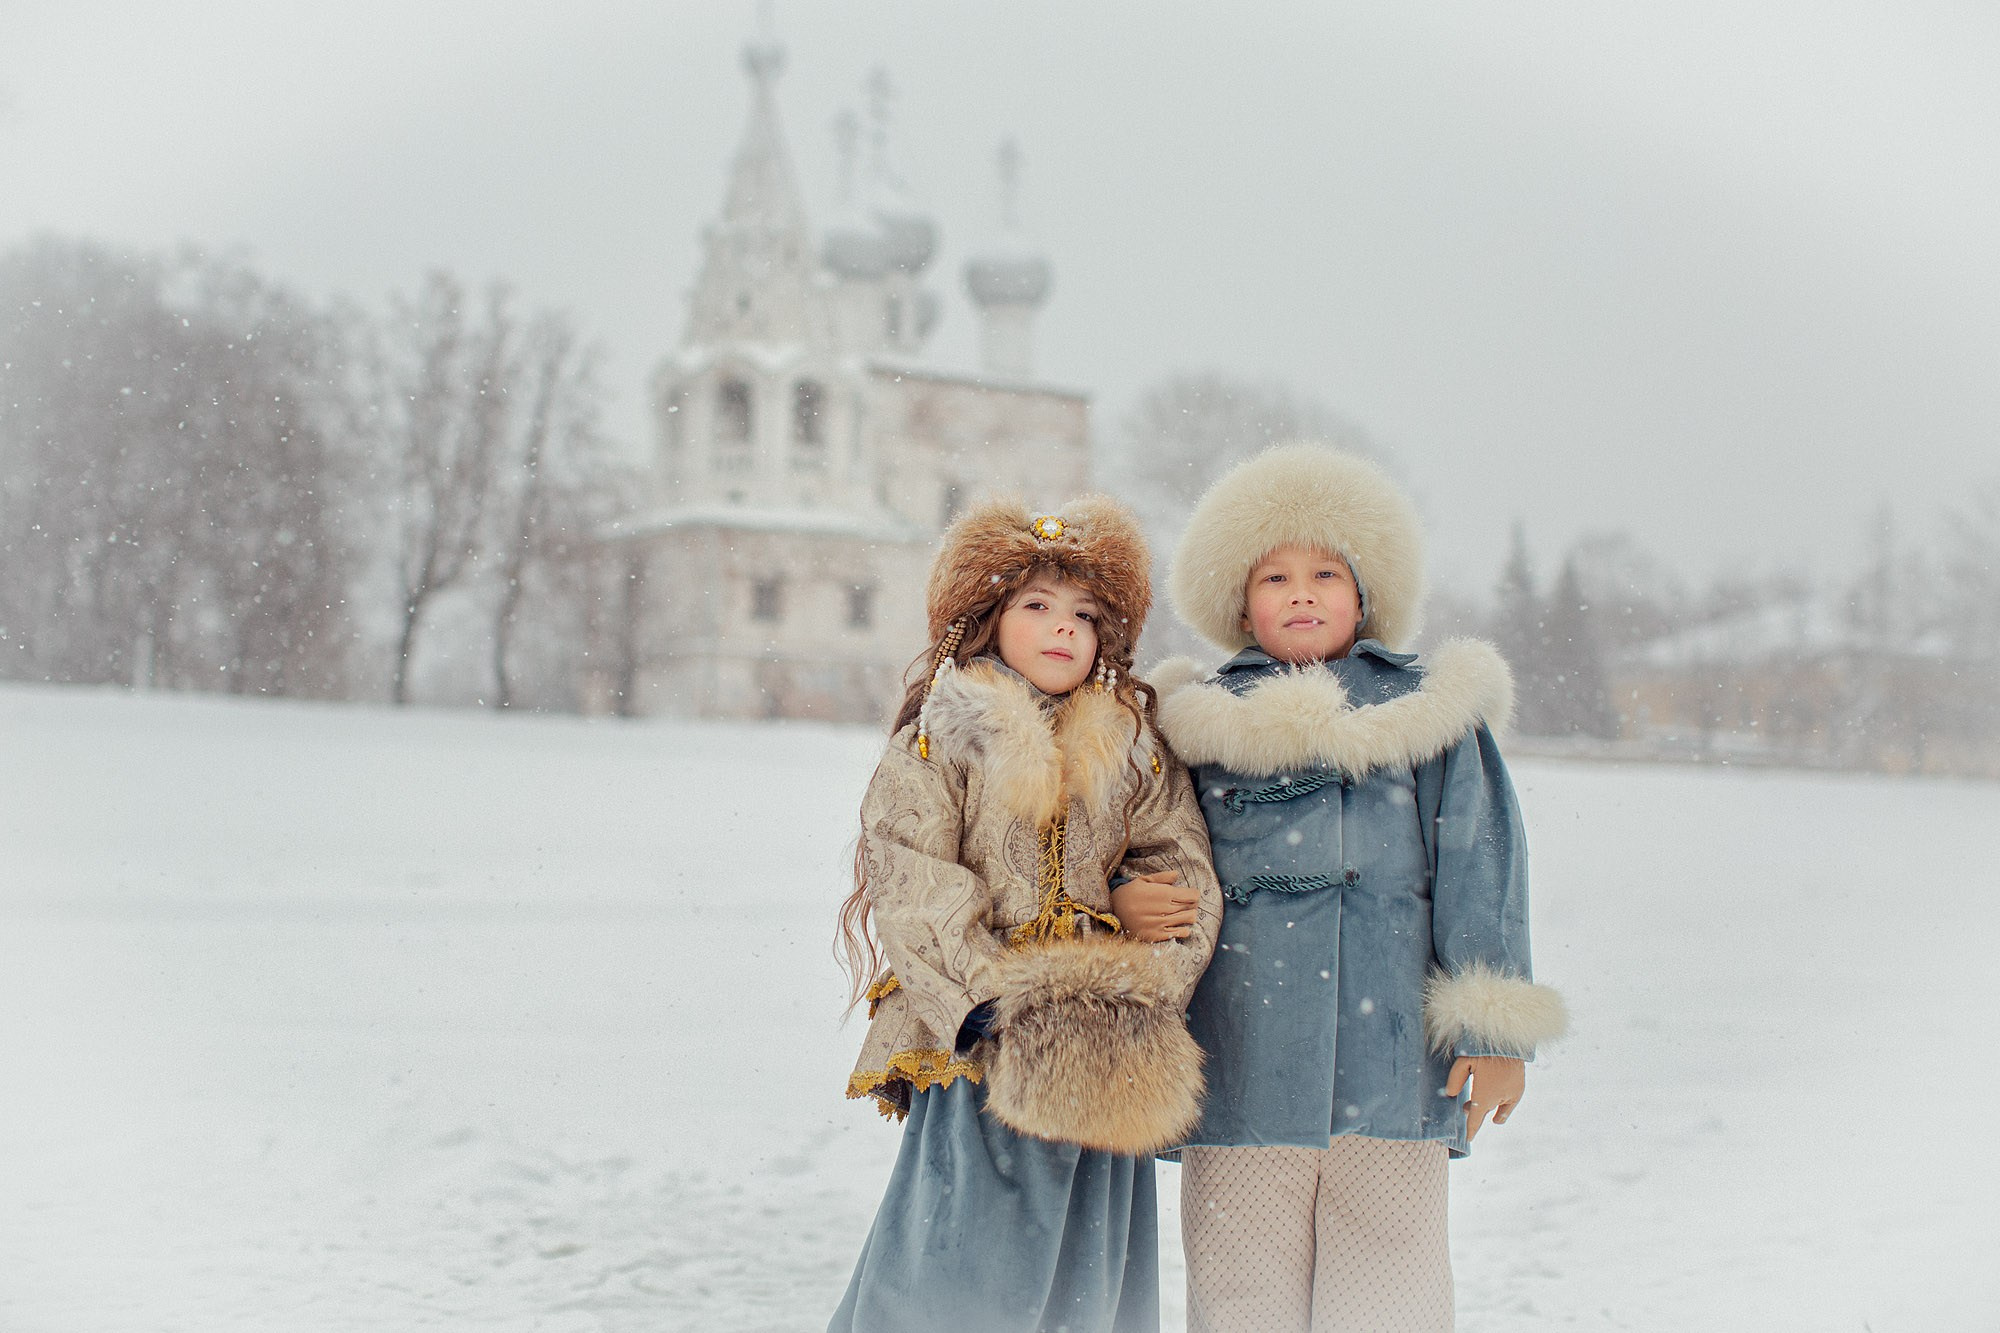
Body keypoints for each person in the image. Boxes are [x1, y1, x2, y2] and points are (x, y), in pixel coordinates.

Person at [1149, 444, 1569, 1333]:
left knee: (1391, 1291)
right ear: (1237, 598)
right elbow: (1149, 844)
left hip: (1392, 1063)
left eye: (1325, 573)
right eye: (1275, 576)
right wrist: (1130, 897)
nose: (1301, 593)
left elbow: (1482, 870)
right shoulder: (1190, 725)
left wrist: (1494, 1028)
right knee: (1239, 1292)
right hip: (1242, 1062)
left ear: (1366, 591)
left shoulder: (1427, 716)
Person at [831, 494, 1224, 1333]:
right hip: (983, 1041)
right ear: (988, 618)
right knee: (958, 1254)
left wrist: (1139, 979)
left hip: (1107, 1039)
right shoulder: (941, 739)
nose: (1063, 628)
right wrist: (990, 1001)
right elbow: (912, 874)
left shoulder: (1132, 745)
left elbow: (1181, 864)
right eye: (1036, 606)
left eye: (1084, 614)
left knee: (1091, 1261)